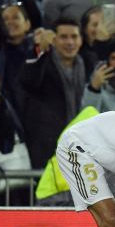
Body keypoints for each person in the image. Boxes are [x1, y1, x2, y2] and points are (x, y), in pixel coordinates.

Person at [18, 17, 87, 168]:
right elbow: (28, 81)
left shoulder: (84, 64)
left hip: (77, 146)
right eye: (63, 37)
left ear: (81, 40)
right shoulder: (43, 61)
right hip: (46, 148)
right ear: (53, 40)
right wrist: (40, 50)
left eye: (74, 36)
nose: (70, 42)